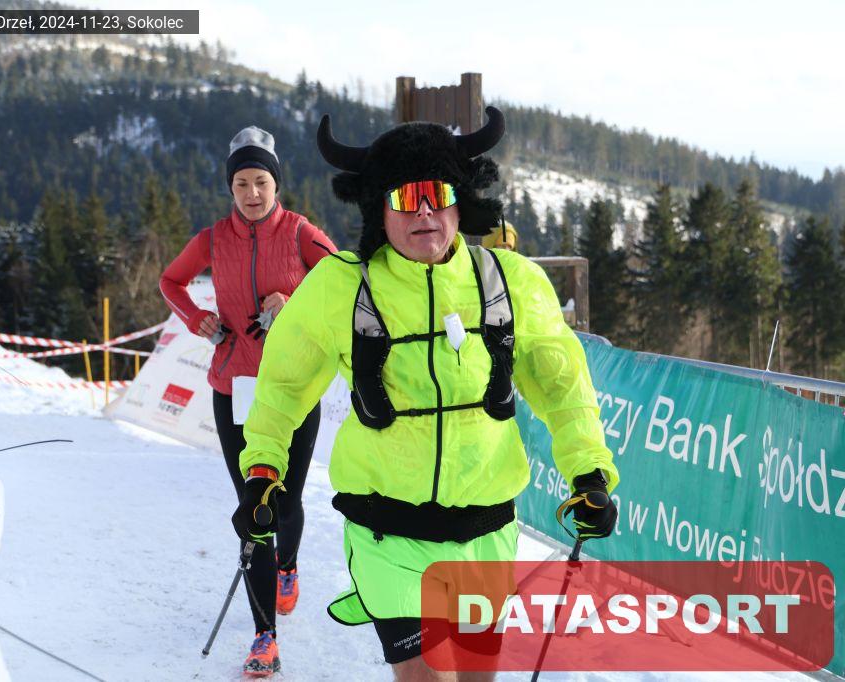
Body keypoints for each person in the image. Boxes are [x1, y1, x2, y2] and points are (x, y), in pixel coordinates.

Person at [232, 107, 619, 680]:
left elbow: (564, 388)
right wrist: (262, 471)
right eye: (404, 198)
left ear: (460, 200)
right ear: (378, 209)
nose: (423, 212)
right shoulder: (340, 286)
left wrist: (589, 474)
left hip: (485, 529)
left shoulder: (511, 283)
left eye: (436, 194)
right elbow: (282, 388)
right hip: (388, 529)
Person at [159, 125, 336, 676]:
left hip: (294, 389)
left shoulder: (301, 232)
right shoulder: (213, 240)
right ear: (230, 188)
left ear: (276, 183)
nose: (252, 193)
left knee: (287, 503)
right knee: (254, 510)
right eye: (241, 183)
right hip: (234, 389)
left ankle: (289, 565)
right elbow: (171, 282)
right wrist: (197, 318)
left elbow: (343, 282)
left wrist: (294, 299)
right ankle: (265, 637)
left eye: (261, 181)